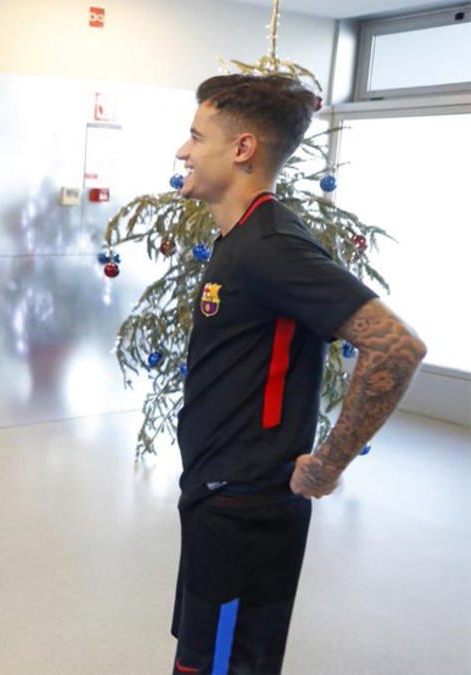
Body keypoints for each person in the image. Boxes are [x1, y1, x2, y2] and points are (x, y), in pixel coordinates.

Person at [171, 73, 427, 674]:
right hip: (216, 500)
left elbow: (395, 347)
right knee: (205, 660)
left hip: (247, 511)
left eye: (194, 136)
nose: (182, 150)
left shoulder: (272, 246)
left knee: (222, 667)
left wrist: (330, 462)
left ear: (242, 150)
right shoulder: (241, 240)